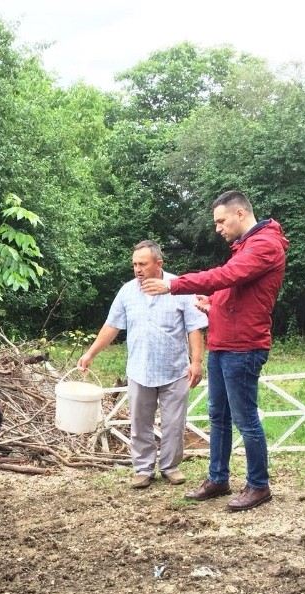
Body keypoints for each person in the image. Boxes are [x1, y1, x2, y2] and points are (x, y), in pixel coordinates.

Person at [145, 190, 287, 511]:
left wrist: (174, 284)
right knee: (218, 416)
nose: (218, 228)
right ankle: (218, 478)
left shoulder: (265, 245)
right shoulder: (246, 247)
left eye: (221, 221)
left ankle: (259, 485)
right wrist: (214, 305)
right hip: (223, 344)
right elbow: (235, 290)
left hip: (244, 347)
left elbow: (227, 276)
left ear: (240, 214)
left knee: (245, 418)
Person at [77, 240, 207, 489]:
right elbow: (112, 325)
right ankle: (143, 469)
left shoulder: (179, 288)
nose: (137, 269)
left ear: (159, 264)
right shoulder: (127, 291)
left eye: (143, 264)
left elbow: (194, 328)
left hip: (175, 370)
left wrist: (197, 362)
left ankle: (170, 467)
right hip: (140, 370)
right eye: (134, 264)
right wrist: (91, 353)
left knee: (174, 424)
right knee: (140, 424)